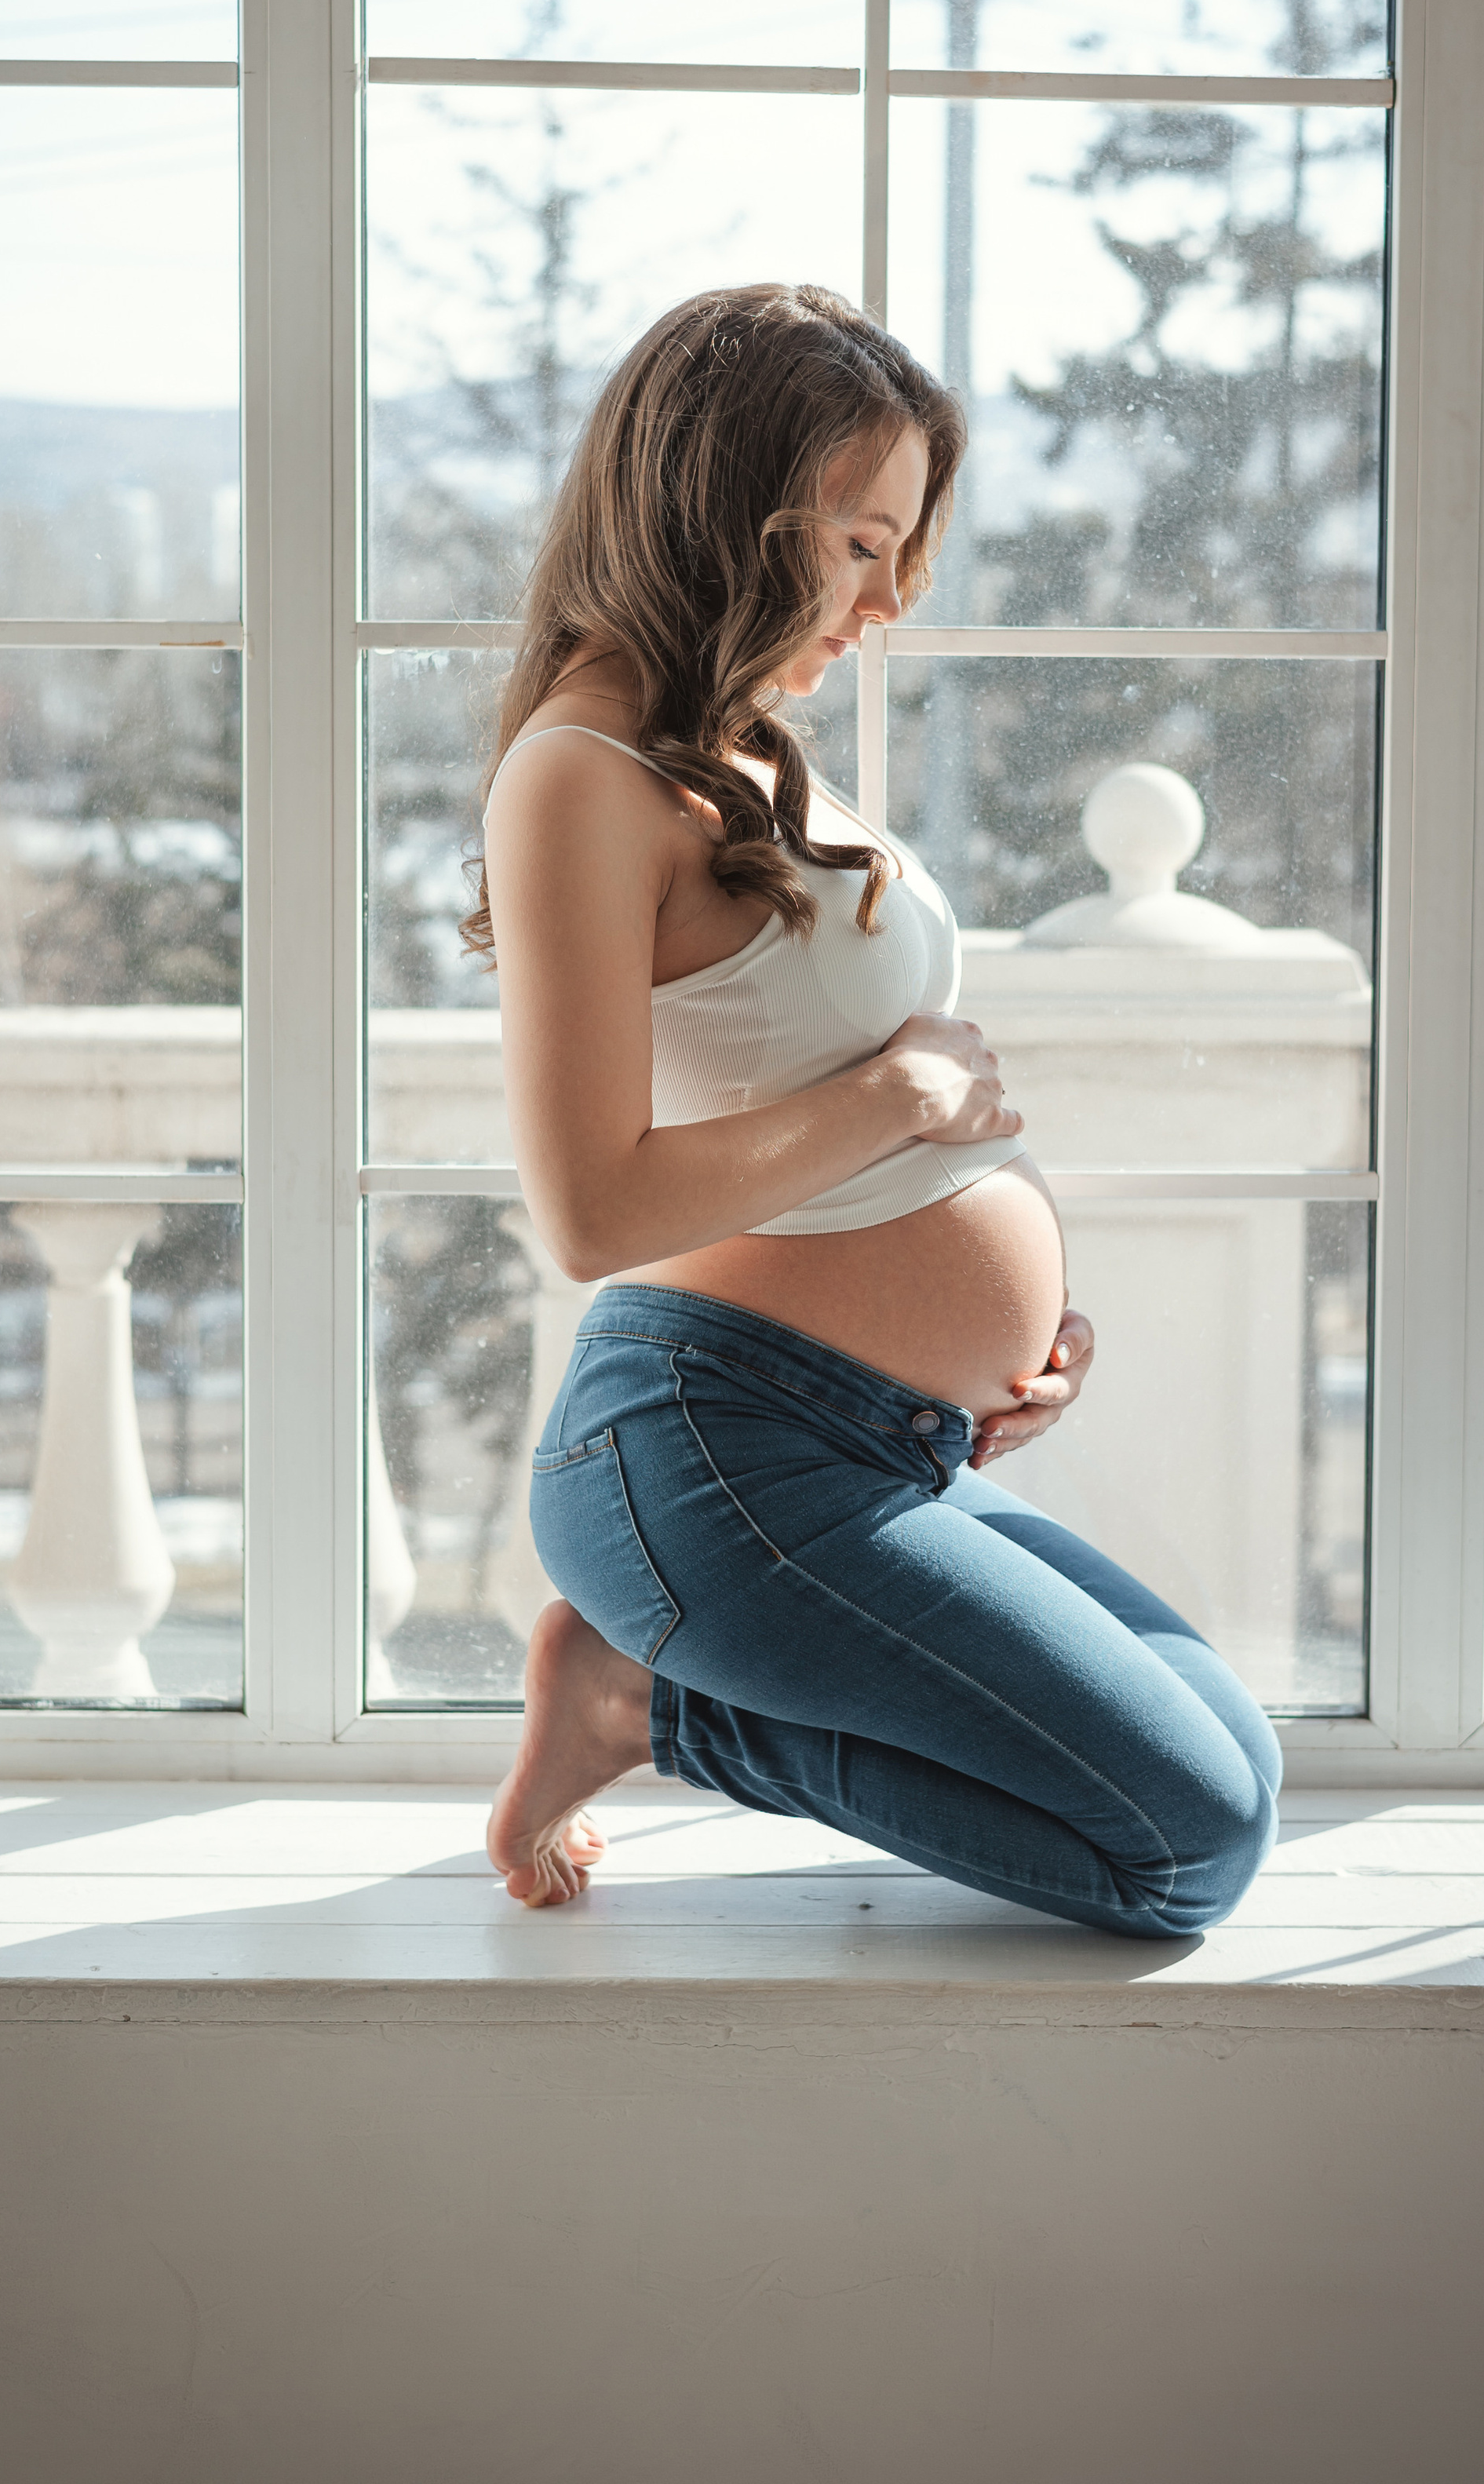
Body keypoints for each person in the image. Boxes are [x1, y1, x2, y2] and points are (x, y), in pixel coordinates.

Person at [472, 283, 1282, 1932]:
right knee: (1185, 1846)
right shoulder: (577, 778)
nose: (892, 597)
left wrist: (999, 1330)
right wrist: (901, 1097)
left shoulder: (735, 745)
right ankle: (644, 1708)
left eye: (902, 548)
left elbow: (798, 1087)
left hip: (879, 1438)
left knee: (1236, 1759)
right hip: (719, 1446)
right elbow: (591, 1211)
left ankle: (645, 1680)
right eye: (858, 543)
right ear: (718, 511)